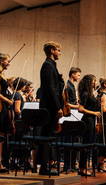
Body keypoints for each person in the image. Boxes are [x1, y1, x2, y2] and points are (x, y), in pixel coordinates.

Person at [38, 41, 64, 175]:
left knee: (49, 136)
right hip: (49, 107)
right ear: (52, 50)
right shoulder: (48, 65)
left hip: (50, 106)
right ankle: (44, 167)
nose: (60, 53)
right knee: (46, 136)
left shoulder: (52, 65)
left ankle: (45, 166)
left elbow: (56, 86)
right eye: (58, 50)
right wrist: (58, 107)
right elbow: (50, 89)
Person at [78, 74, 101, 176]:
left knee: (89, 145)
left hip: (92, 121)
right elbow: (80, 109)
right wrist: (94, 113)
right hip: (87, 121)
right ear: (89, 82)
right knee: (86, 145)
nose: (95, 83)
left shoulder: (91, 94)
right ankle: (82, 168)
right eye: (94, 81)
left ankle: (84, 167)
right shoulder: (86, 94)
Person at [63, 67, 81, 172]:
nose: (79, 77)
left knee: (74, 141)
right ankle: (67, 166)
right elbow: (66, 103)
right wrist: (78, 106)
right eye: (78, 75)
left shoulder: (72, 86)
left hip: (74, 113)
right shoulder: (67, 86)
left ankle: (72, 165)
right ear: (72, 74)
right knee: (69, 141)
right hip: (70, 114)